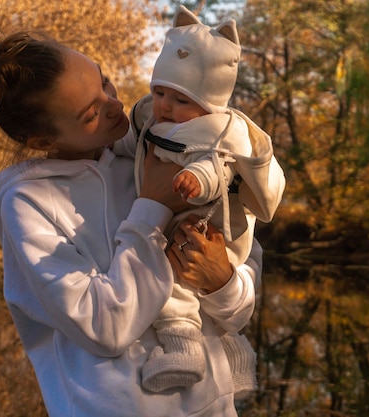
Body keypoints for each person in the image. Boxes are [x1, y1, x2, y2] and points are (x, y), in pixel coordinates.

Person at [0, 28, 262, 417]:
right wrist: (152, 208)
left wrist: (223, 281)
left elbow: (239, 305)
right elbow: (104, 327)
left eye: (104, 82)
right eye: (90, 113)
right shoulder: (26, 204)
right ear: (41, 141)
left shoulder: (159, 150)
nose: (114, 106)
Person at [114, 5, 285, 397]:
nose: (166, 106)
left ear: (209, 104)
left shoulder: (218, 132)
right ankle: (233, 354)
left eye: (181, 99)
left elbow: (218, 169)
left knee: (174, 282)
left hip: (206, 223)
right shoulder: (151, 119)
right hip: (175, 224)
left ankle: (183, 349)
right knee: (176, 280)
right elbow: (131, 144)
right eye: (159, 93)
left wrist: (197, 179)